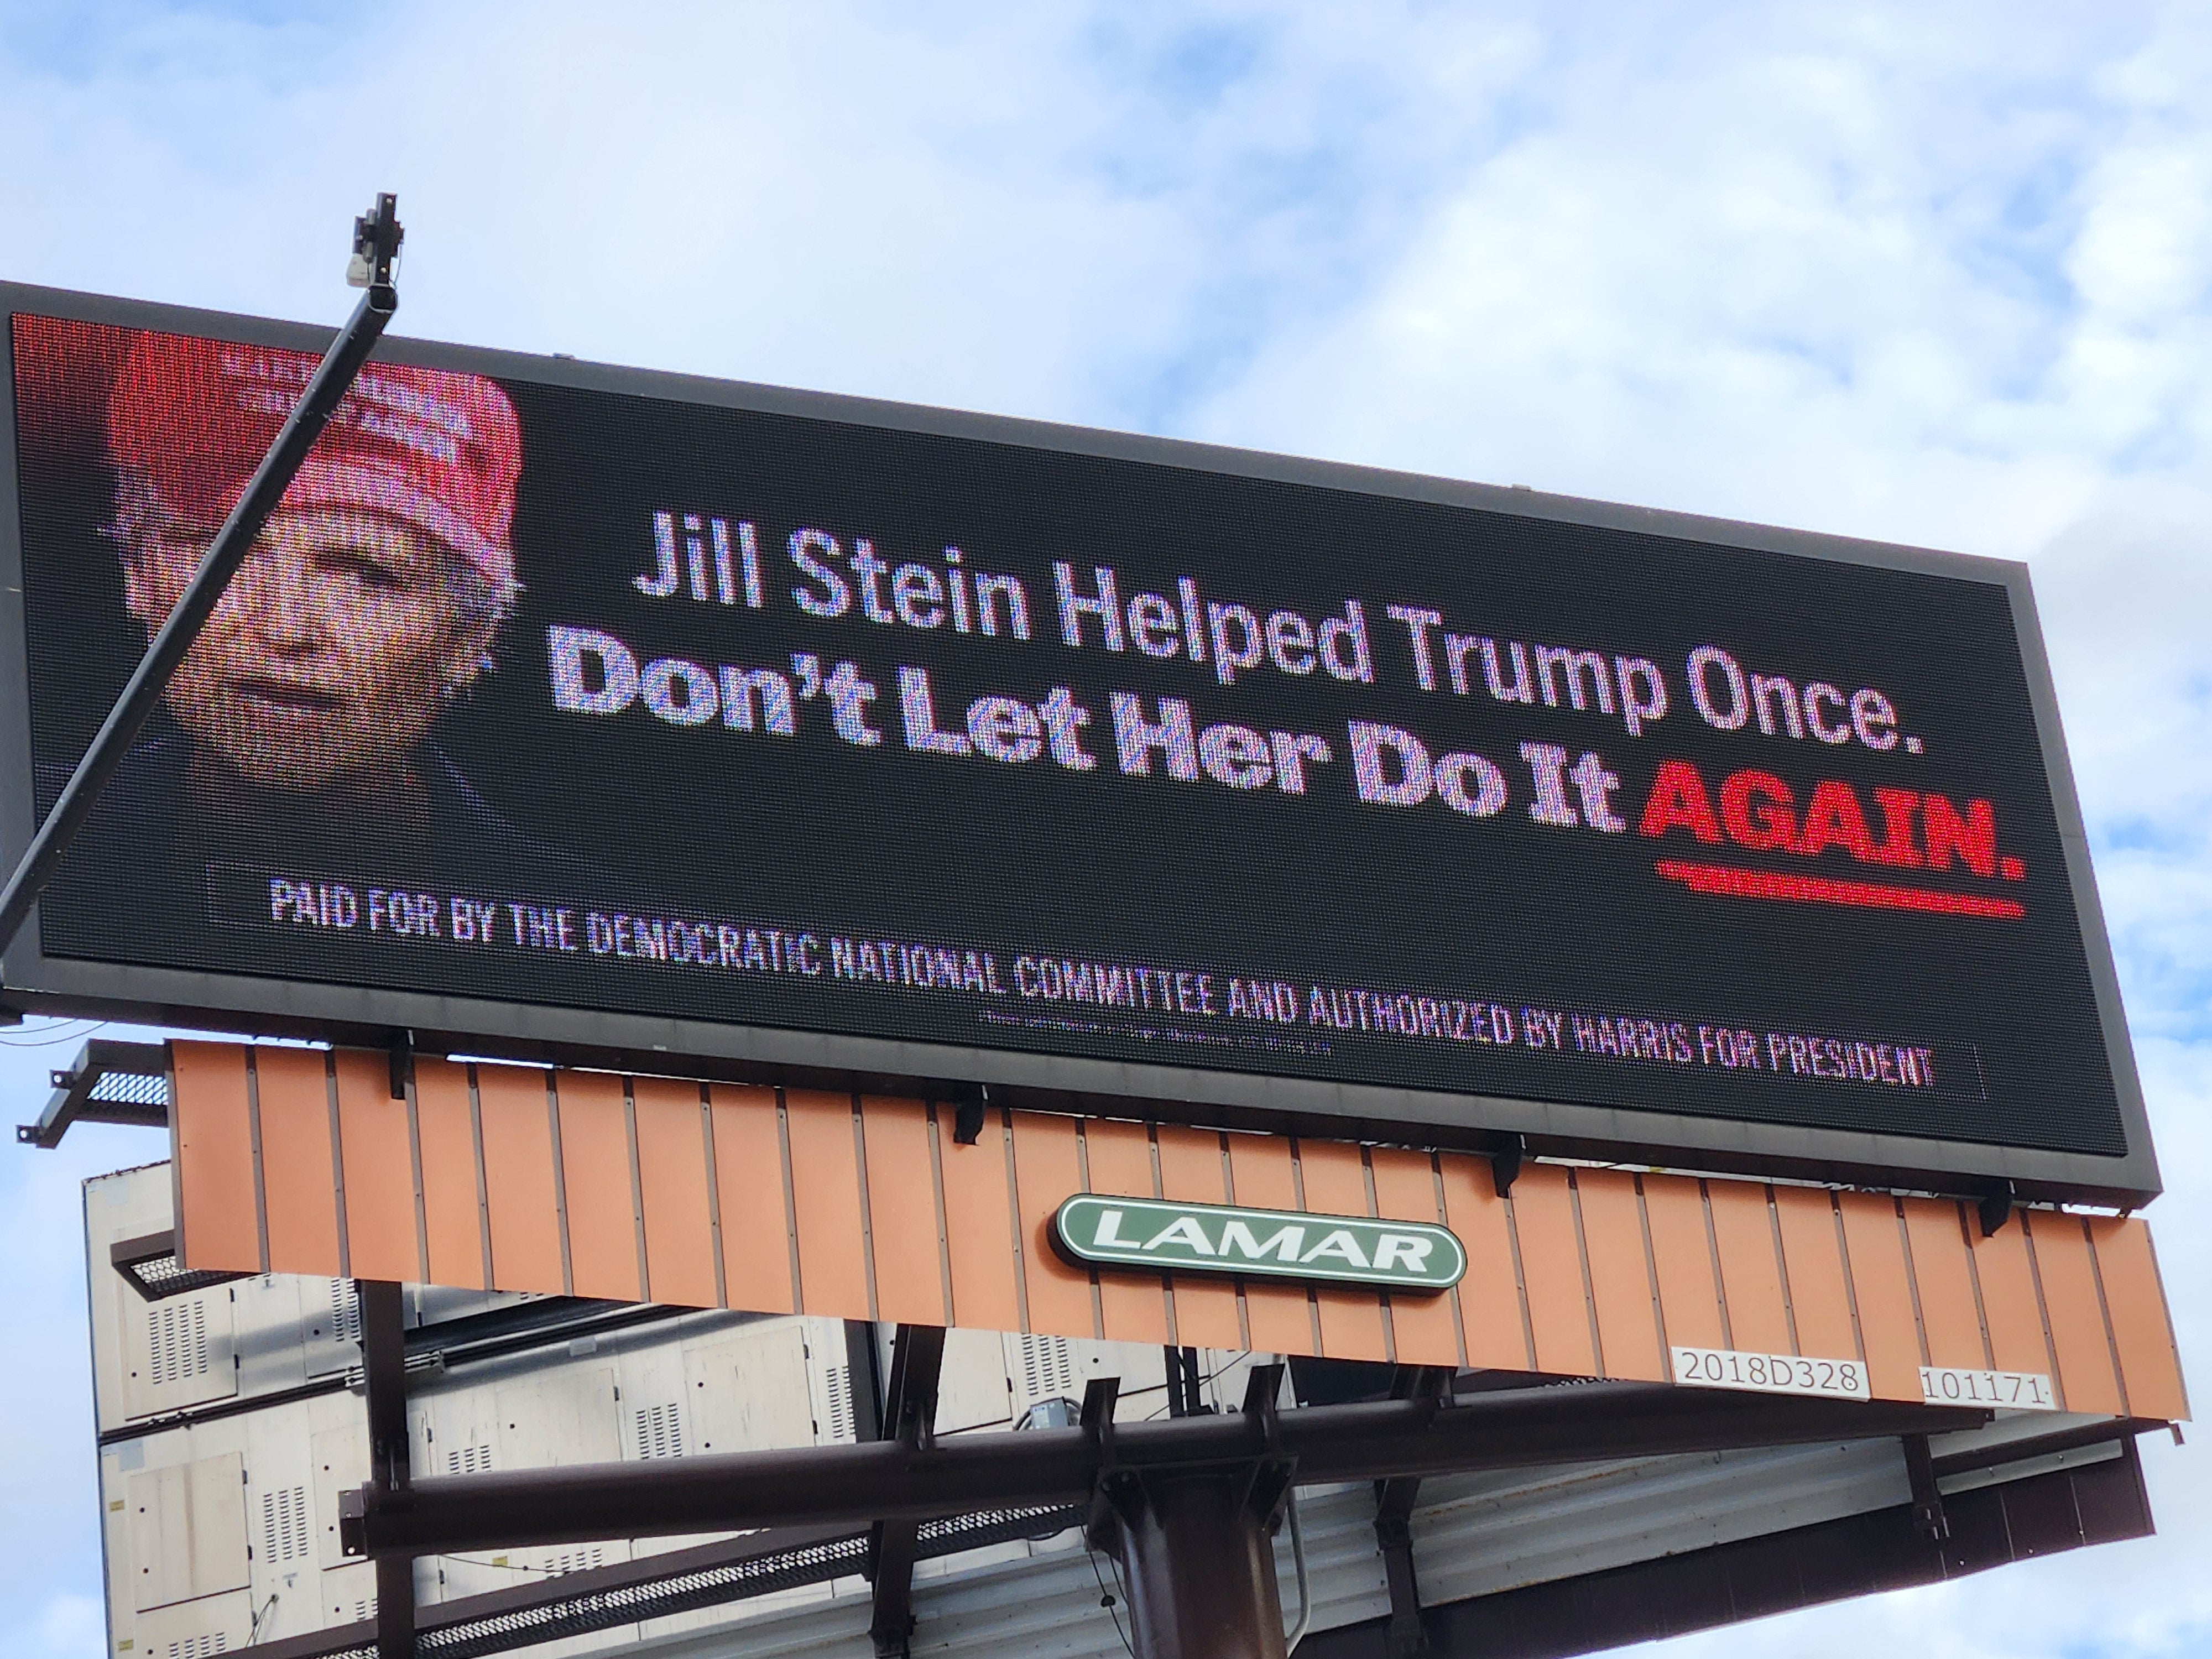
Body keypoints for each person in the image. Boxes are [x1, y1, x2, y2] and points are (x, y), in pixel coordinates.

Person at [49, 328, 557, 947]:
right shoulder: (24, 866)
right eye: (225, 561)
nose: (286, 630)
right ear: (139, 573)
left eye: (368, 575)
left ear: (473, 633)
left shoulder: (587, 930)